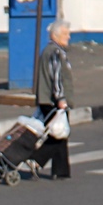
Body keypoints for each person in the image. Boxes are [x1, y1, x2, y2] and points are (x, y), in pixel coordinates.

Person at [29, 20, 73, 180]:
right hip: (53, 100)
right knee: (58, 134)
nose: (69, 37)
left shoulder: (50, 50)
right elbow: (56, 78)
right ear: (56, 35)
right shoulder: (55, 52)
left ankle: (61, 171)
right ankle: (36, 160)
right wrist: (61, 99)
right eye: (66, 34)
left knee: (61, 134)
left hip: (48, 99)